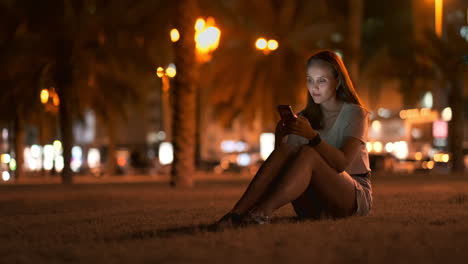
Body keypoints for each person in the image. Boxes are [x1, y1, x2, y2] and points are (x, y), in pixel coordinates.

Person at [215, 50, 372, 227]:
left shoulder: (355, 113)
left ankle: (261, 213)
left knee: (308, 153)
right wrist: (279, 138)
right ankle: (236, 214)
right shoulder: (304, 117)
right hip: (312, 203)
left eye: (322, 80)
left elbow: (342, 163)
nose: (315, 87)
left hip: (351, 198)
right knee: (287, 150)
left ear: (337, 81)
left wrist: (312, 137)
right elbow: (285, 164)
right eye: (310, 80)